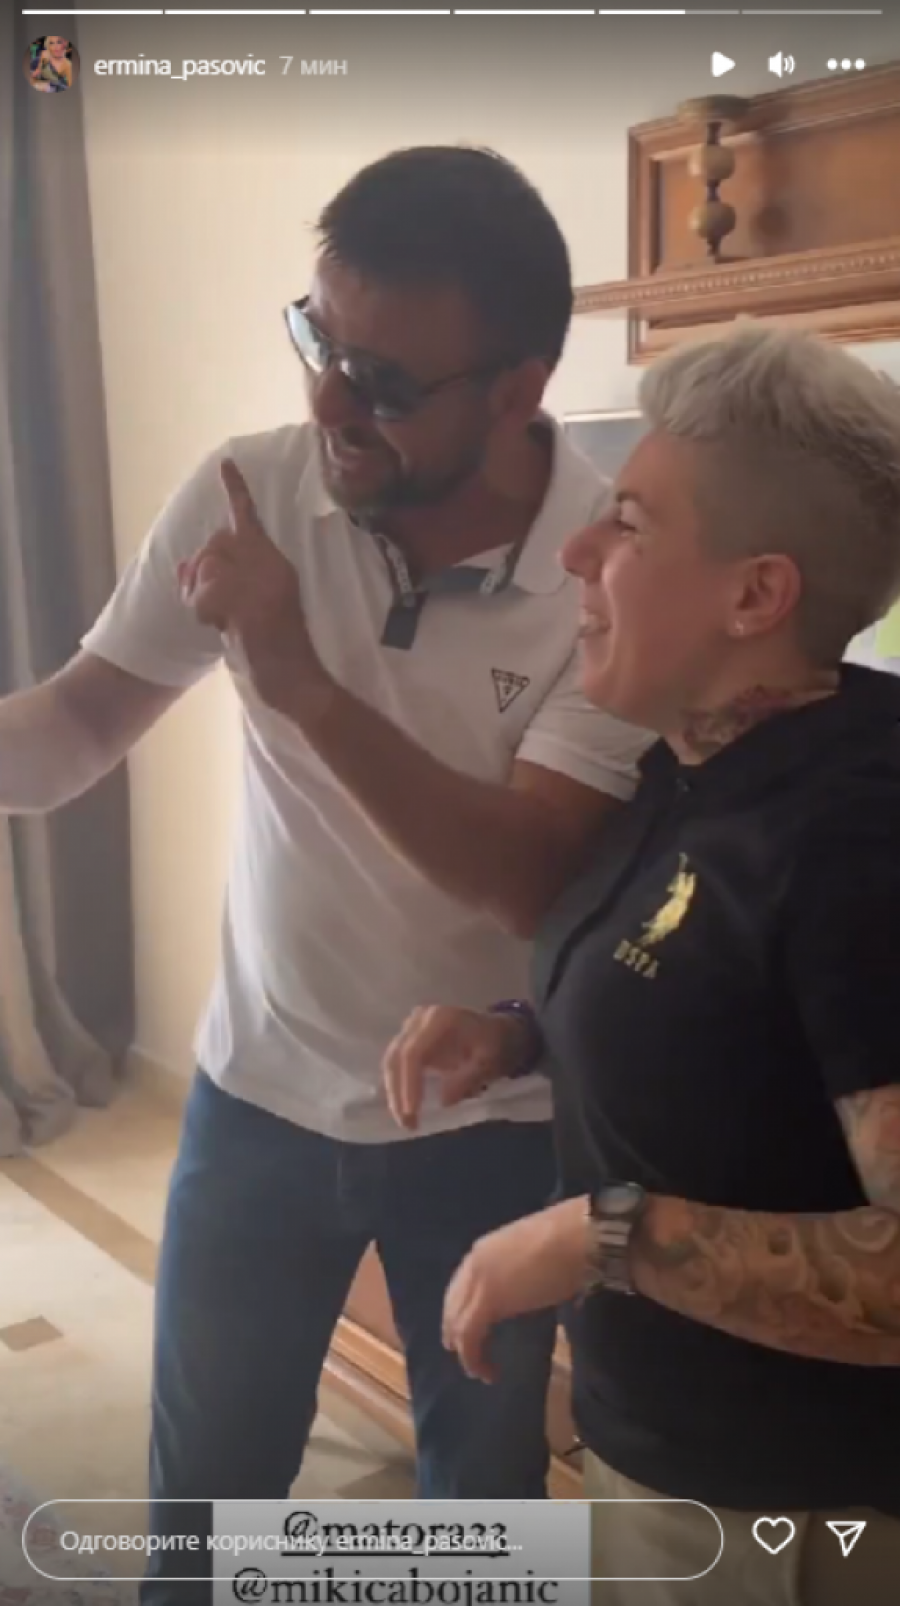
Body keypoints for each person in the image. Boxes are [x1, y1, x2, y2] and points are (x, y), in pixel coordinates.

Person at [0, 147, 647, 1599]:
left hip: (500, 1126)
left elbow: (525, 877)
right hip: (257, 1102)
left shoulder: (604, 571)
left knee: (478, 1527)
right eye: (317, 340)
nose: (328, 404)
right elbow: (73, 735)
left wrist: (296, 676)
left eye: (384, 382)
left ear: (519, 388)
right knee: (202, 1513)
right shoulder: (251, 492)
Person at [385, 325, 900, 1606]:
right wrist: (523, 1026)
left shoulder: (859, 842)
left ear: (754, 596)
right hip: (667, 1450)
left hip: (794, 1511)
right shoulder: (695, 755)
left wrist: (602, 1236)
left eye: (626, 522)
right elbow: (713, 985)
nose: (574, 552)